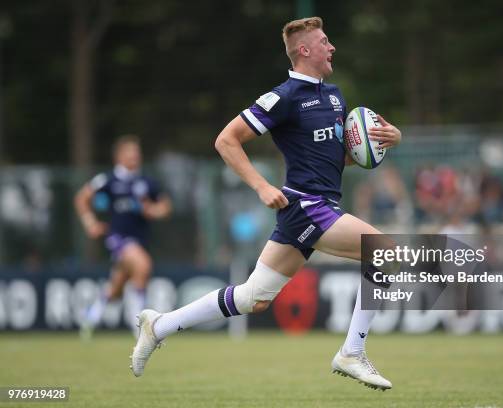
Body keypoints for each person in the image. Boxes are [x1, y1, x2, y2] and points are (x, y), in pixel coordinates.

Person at [130, 17, 402, 391]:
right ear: (304, 50)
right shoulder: (284, 97)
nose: (332, 47)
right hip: (306, 205)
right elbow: (226, 140)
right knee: (383, 251)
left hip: (313, 208)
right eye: (324, 41)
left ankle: (158, 325)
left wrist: (388, 139)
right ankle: (352, 352)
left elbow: (338, 158)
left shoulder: (335, 95)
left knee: (252, 298)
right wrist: (260, 186)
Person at [74, 135, 172, 338]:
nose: (135, 157)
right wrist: (90, 223)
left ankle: (90, 318)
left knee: (117, 288)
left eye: (137, 153)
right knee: (143, 265)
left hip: (141, 240)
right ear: (118, 156)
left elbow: (165, 207)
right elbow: (82, 198)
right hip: (118, 238)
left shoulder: (146, 182)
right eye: (130, 153)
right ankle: (140, 327)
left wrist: (153, 210)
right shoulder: (108, 179)